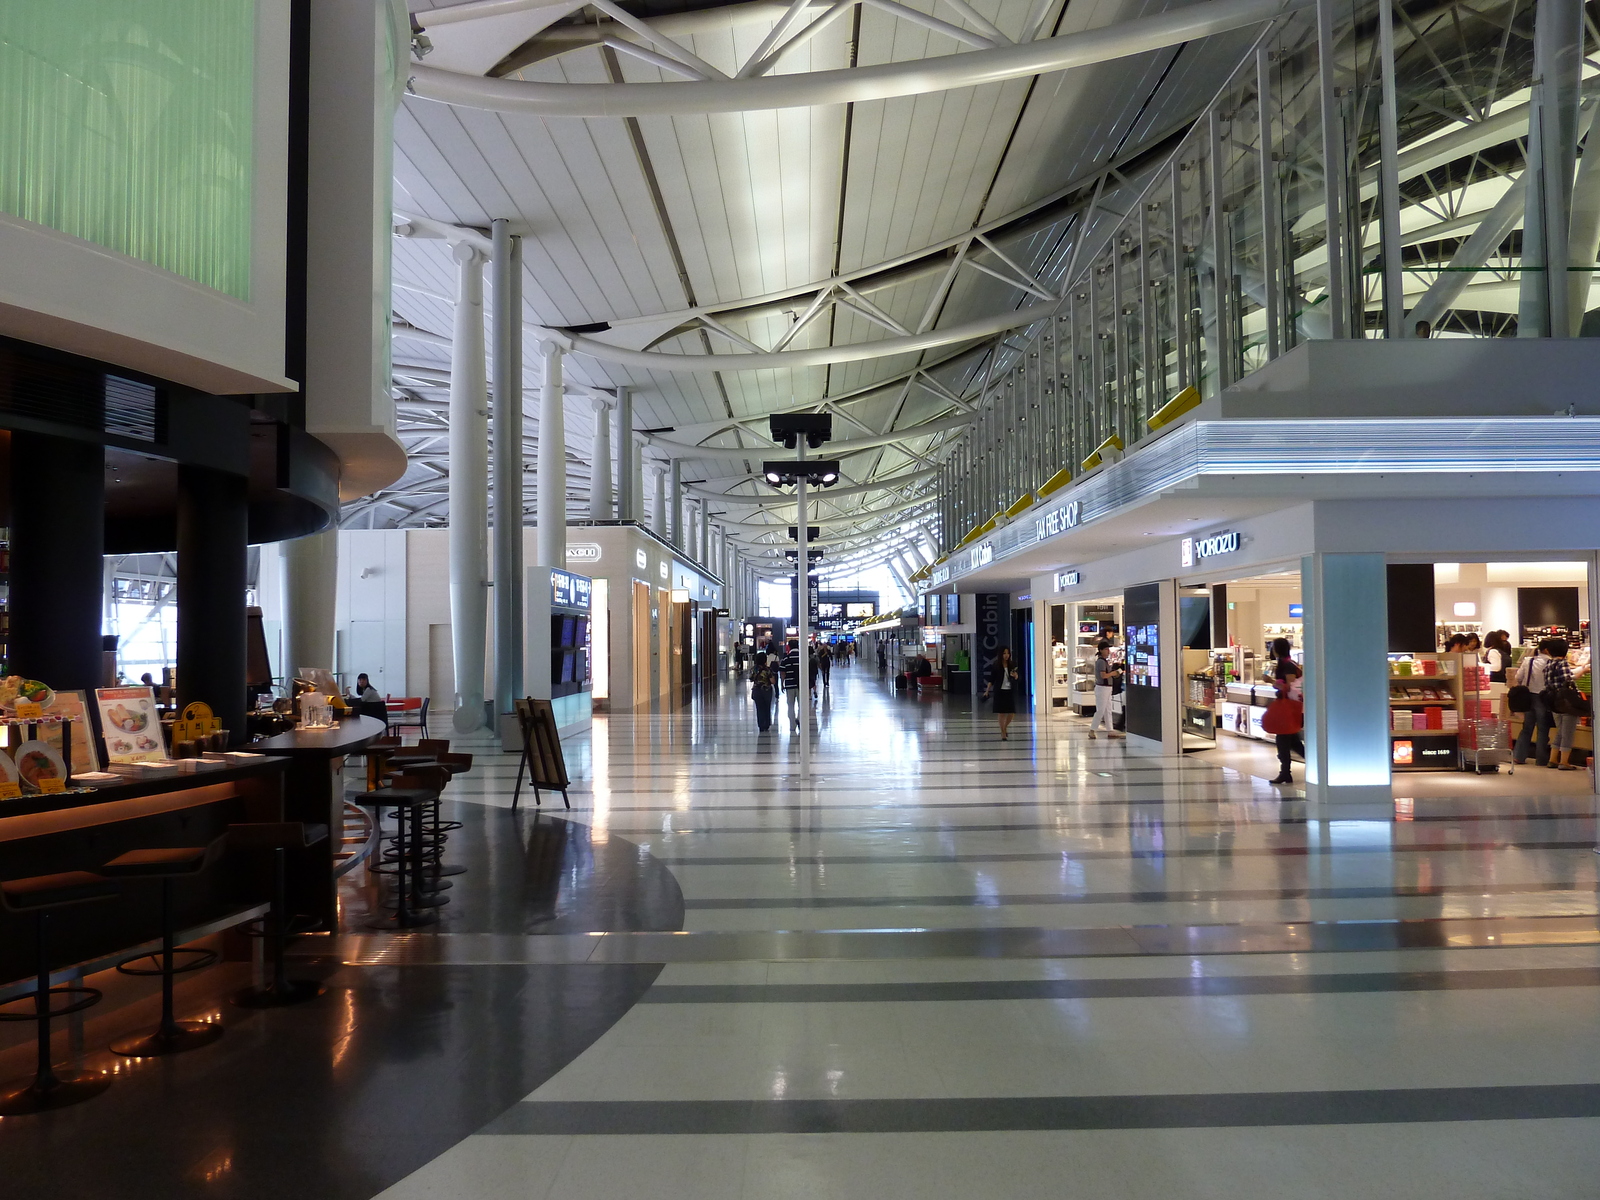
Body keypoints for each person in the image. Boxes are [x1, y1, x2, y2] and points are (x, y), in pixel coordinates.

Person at [1543, 638, 1587, 770]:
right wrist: (1583, 671)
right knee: (1568, 732)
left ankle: (1552, 759)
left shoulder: (1548, 664)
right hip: (1567, 701)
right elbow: (1568, 679)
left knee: (1560, 731)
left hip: (1553, 701)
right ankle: (1564, 762)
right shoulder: (1563, 663)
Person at [1513, 639, 1555, 766]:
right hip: (1543, 697)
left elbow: (1517, 678)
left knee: (1527, 727)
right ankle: (1541, 759)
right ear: (1547, 650)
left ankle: (1519, 756)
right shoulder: (1551, 663)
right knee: (1542, 729)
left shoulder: (1528, 661)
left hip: (1528, 697)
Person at [1268, 638, 1304, 786]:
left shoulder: (1287, 666)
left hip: (1289, 707)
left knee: (1283, 739)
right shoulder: (1287, 664)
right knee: (1293, 741)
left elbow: (1290, 687)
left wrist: (1270, 681)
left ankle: (1285, 773)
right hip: (1289, 706)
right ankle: (1318, 764)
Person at [1088, 641, 1123, 739]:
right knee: (1101, 710)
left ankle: (1110, 730)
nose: (1108, 651)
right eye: (1106, 649)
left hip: (1107, 688)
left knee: (1108, 709)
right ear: (1101, 650)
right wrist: (1113, 673)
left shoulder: (1104, 661)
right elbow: (1103, 675)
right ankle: (1092, 729)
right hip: (1102, 688)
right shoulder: (1101, 662)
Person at [984, 646, 1020, 740]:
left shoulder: (1012, 665)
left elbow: (1017, 678)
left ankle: (1004, 728)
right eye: (1004, 653)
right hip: (1000, 690)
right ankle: (1003, 732)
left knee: (1011, 712)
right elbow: (991, 679)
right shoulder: (996, 665)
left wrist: (1016, 676)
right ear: (1001, 654)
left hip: (1009, 690)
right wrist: (987, 691)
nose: (1006, 655)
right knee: (1001, 713)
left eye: (1008, 653)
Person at [750, 654, 775, 732]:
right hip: (766, 690)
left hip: (757, 691)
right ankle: (766, 724)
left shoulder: (754, 669)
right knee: (767, 707)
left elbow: (751, 678)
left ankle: (761, 725)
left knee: (759, 708)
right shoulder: (767, 670)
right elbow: (773, 681)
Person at [781, 645, 802, 729]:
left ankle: (792, 725)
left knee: (790, 705)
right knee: (802, 705)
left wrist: (782, 684)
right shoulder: (802, 657)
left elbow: (782, 672)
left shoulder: (786, 659)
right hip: (801, 685)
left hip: (789, 684)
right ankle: (799, 719)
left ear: (789, 648)